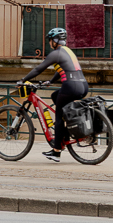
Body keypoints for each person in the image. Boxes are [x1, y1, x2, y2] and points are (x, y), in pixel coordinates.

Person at [21, 27, 88, 162]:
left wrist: (23, 80)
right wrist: (50, 81)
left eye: (50, 40)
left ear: (55, 41)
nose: (49, 43)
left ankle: (56, 151)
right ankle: (65, 133)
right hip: (83, 86)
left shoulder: (56, 53)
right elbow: (63, 69)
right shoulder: (69, 52)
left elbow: (39, 68)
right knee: (54, 96)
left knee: (58, 117)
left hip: (70, 86)